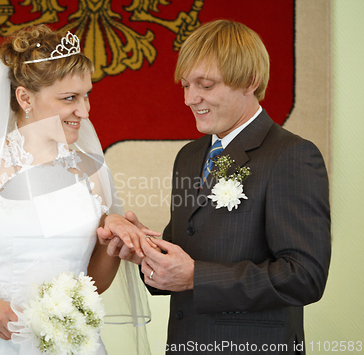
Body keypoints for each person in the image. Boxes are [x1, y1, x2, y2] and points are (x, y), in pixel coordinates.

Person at [0, 25, 154, 355]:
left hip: (74, 346)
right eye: (70, 98)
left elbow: (94, 283)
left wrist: (115, 244)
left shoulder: (94, 172)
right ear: (25, 98)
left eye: (86, 95)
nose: (85, 111)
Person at [100, 20, 331, 354]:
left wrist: (197, 277)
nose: (190, 99)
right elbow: (188, 249)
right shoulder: (191, 156)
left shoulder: (291, 155)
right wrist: (146, 251)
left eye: (205, 85)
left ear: (250, 82)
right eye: (186, 85)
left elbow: (305, 276)